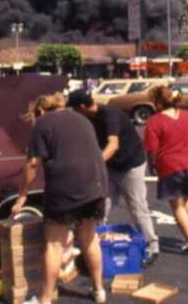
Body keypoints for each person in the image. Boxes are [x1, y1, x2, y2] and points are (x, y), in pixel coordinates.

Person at [13, 93, 109, 304]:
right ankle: (99, 290)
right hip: (95, 185)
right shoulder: (82, 119)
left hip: (65, 188)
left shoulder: (43, 124)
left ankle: (44, 302)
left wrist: (23, 195)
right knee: (89, 237)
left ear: (40, 111)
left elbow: (32, 165)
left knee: (53, 244)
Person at [66, 89, 160, 266]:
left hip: (131, 165)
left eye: (74, 109)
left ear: (82, 107)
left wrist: (93, 165)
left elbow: (113, 145)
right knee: (102, 204)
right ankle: (95, 244)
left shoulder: (110, 115)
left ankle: (151, 246)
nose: (73, 113)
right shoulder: (87, 118)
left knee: (137, 206)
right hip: (111, 166)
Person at [144, 85, 188, 259]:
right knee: (187, 197)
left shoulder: (154, 121)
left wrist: (152, 165)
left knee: (177, 205)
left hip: (170, 166)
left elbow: (151, 150)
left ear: (158, 103)